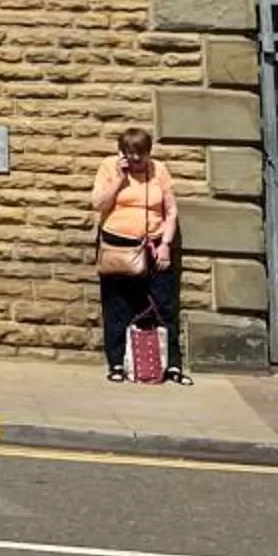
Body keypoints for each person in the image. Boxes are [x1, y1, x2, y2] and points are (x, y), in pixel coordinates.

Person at [92, 125, 189, 383]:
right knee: (116, 306)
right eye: (129, 153)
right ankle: (116, 363)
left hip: (154, 245)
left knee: (163, 305)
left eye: (140, 154)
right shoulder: (108, 167)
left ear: (149, 153)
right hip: (117, 246)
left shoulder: (159, 171)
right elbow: (98, 204)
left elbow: (171, 211)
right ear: (121, 153)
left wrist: (166, 244)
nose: (135, 159)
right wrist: (119, 180)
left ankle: (171, 364)